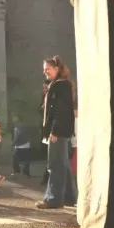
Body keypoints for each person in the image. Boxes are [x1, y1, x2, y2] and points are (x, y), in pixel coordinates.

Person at [36, 55, 78, 209]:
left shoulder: (59, 85)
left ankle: (53, 199)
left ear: (56, 68)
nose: (45, 71)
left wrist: (54, 130)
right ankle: (69, 197)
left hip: (58, 131)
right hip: (62, 130)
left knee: (55, 164)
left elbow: (59, 110)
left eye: (48, 68)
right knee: (63, 163)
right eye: (44, 69)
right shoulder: (62, 84)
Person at [11, 113, 32, 178]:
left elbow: (18, 136)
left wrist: (13, 143)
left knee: (16, 159)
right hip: (24, 144)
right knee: (25, 159)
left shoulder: (19, 126)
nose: (13, 119)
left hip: (21, 145)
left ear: (18, 118)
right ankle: (26, 173)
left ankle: (19, 172)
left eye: (14, 117)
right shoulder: (19, 125)